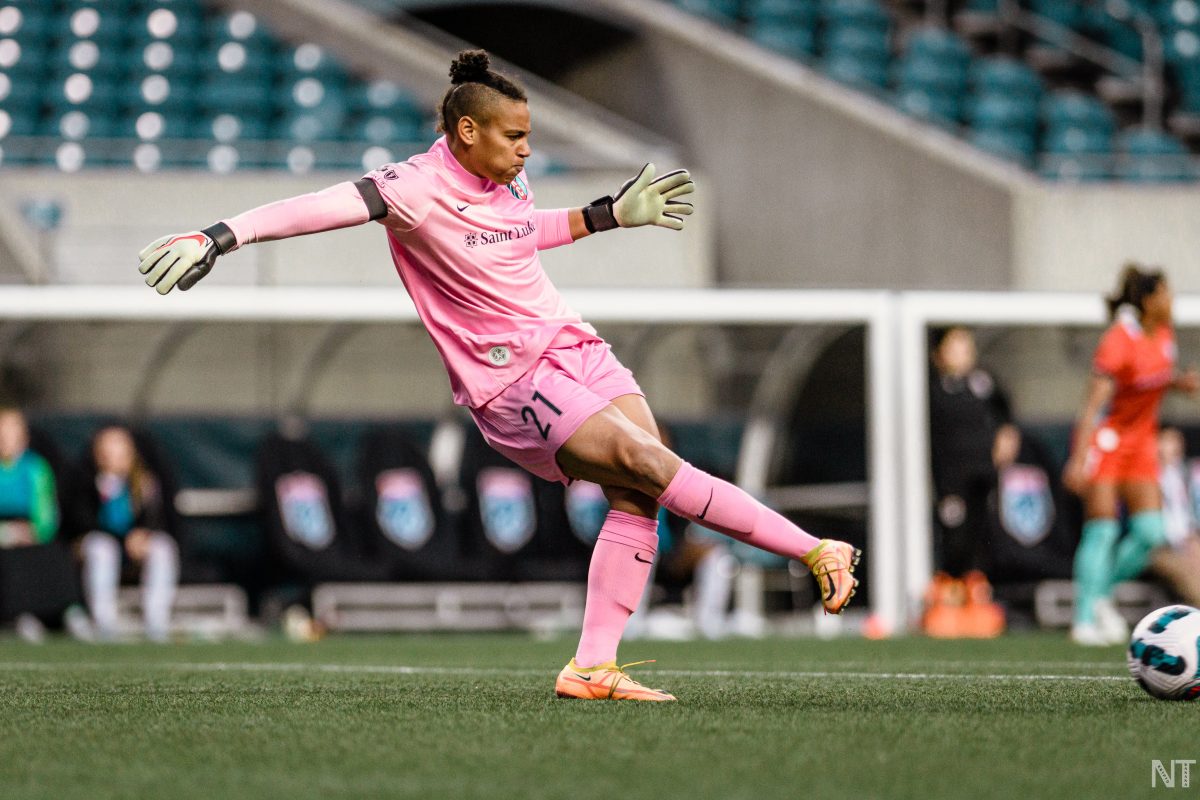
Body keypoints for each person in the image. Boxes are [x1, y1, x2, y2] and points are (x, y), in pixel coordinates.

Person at [136, 50, 861, 701]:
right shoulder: (413, 188)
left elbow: (523, 234)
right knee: (651, 462)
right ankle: (811, 549)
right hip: (511, 384)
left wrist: (607, 215)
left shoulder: (506, 186)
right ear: (468, 133)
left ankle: (592, 668)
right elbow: (317, 208)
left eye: (529, 136)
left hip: (574, 346)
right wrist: (221, 235)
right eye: (515, 137)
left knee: (639, 495)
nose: (526, 150)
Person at [1063, 264, 1199, 646]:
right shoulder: (1117, 341)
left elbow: (1151, 379)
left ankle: (1100, 592)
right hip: (1107, 441)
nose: (1172, 301)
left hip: (1141, 443)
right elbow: (1092, 406)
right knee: (1103, 529)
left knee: (1150, 532)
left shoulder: (1165, 336)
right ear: (1148, 300)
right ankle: (1084, 618)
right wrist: (1078, 457)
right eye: (1166, 294)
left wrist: (1177, 383)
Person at [924, 326, 1012, 638]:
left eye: (967, 345)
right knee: (955, 537)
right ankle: (946, 600)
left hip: (983, 475)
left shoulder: (983, 382)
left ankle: (977, 600)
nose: (964, 351)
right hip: (951, 480)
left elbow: (1005, 414)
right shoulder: (933, 391)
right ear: (939, 355)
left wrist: (1006, 435)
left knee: (981, 534)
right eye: (956, 345)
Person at [77, 425, 179, 642]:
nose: (114, 456)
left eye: (120, 449)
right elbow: (80, 522)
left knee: (163, 547)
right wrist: (122, 539)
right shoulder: (84, 480)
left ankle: (156, 621)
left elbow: (162, 519)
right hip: (100, 545)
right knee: (102, 549)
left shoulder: (146, 482)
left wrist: (145, 534)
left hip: (136, 547)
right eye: (108, 449)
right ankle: (104, 623)